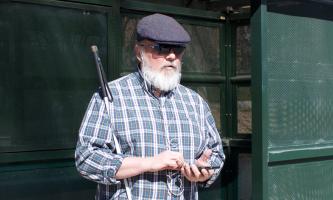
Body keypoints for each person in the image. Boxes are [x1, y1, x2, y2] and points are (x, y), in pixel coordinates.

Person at [75, 13, 225, 200]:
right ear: (139, 53)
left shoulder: (195, 102)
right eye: (161, 48)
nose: (171, 56)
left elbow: (216, 154)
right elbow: (86, 158)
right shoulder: (111, 97)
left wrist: (204, 170)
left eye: (178, 49)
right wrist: (149, 163)